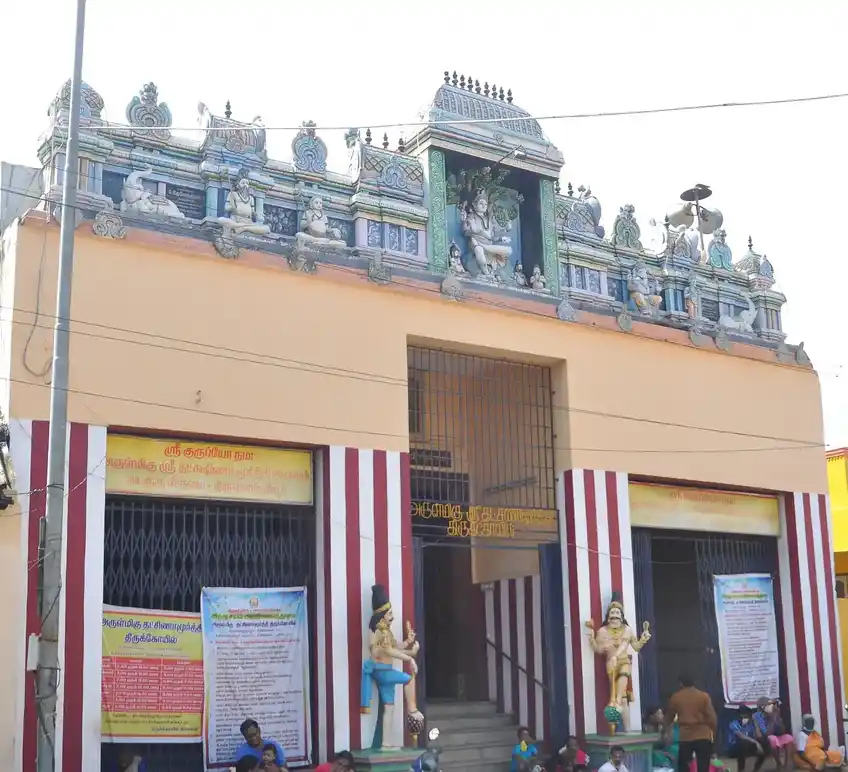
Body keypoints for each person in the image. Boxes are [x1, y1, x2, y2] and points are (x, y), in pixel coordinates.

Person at [663, 673, 717, 772]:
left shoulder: (676, 697)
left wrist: (666, 730)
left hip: (685, 737)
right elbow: (712, 718)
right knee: (703, 766)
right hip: (703, 735)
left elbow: (669, 718)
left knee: (684, 766)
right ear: (694, 683)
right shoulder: (704, 696)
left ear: (680, 684)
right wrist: (713, 732)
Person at [753, 698, 794, 772]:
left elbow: (782, 730)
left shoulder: (775, 713)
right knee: (772, 739)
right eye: (769, 704)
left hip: (776, 735)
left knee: (789, 738)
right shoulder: (757, 715)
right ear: (762, 707)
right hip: (764, 738)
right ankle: (778, 763)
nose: (772, 706)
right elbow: (766, 733)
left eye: (772, 704)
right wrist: (772, 718)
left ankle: (787, 764)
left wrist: (777, 717)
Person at [726, 707, 765, 772]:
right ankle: (741, 769)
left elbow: (759, 736)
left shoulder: (750, 724)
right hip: (733, 750)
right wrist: (756, 743)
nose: (746, 717)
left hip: (747, 748)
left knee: (764, 742)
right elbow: (741, 736)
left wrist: (755, 722)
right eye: (744, 715)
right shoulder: (734, 723)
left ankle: (756, 768)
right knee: (743, 743)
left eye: (747, 716)